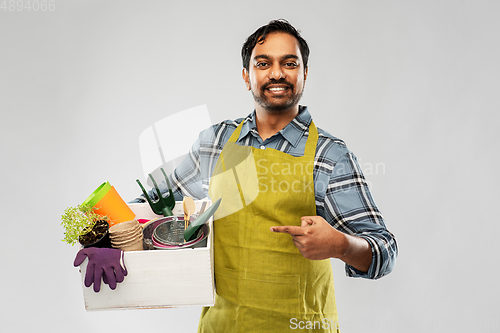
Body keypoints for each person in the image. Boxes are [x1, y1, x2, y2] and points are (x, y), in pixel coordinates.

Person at [77, 19, 398, 333]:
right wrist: (107, 236)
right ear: (247, 76)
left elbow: (384, 251)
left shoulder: (329, 155)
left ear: (305, 73)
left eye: (289, 63)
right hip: (221, 326)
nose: (276, 73)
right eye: (263, 63)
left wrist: (341, 244)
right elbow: (152, 203)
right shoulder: (215, 143)